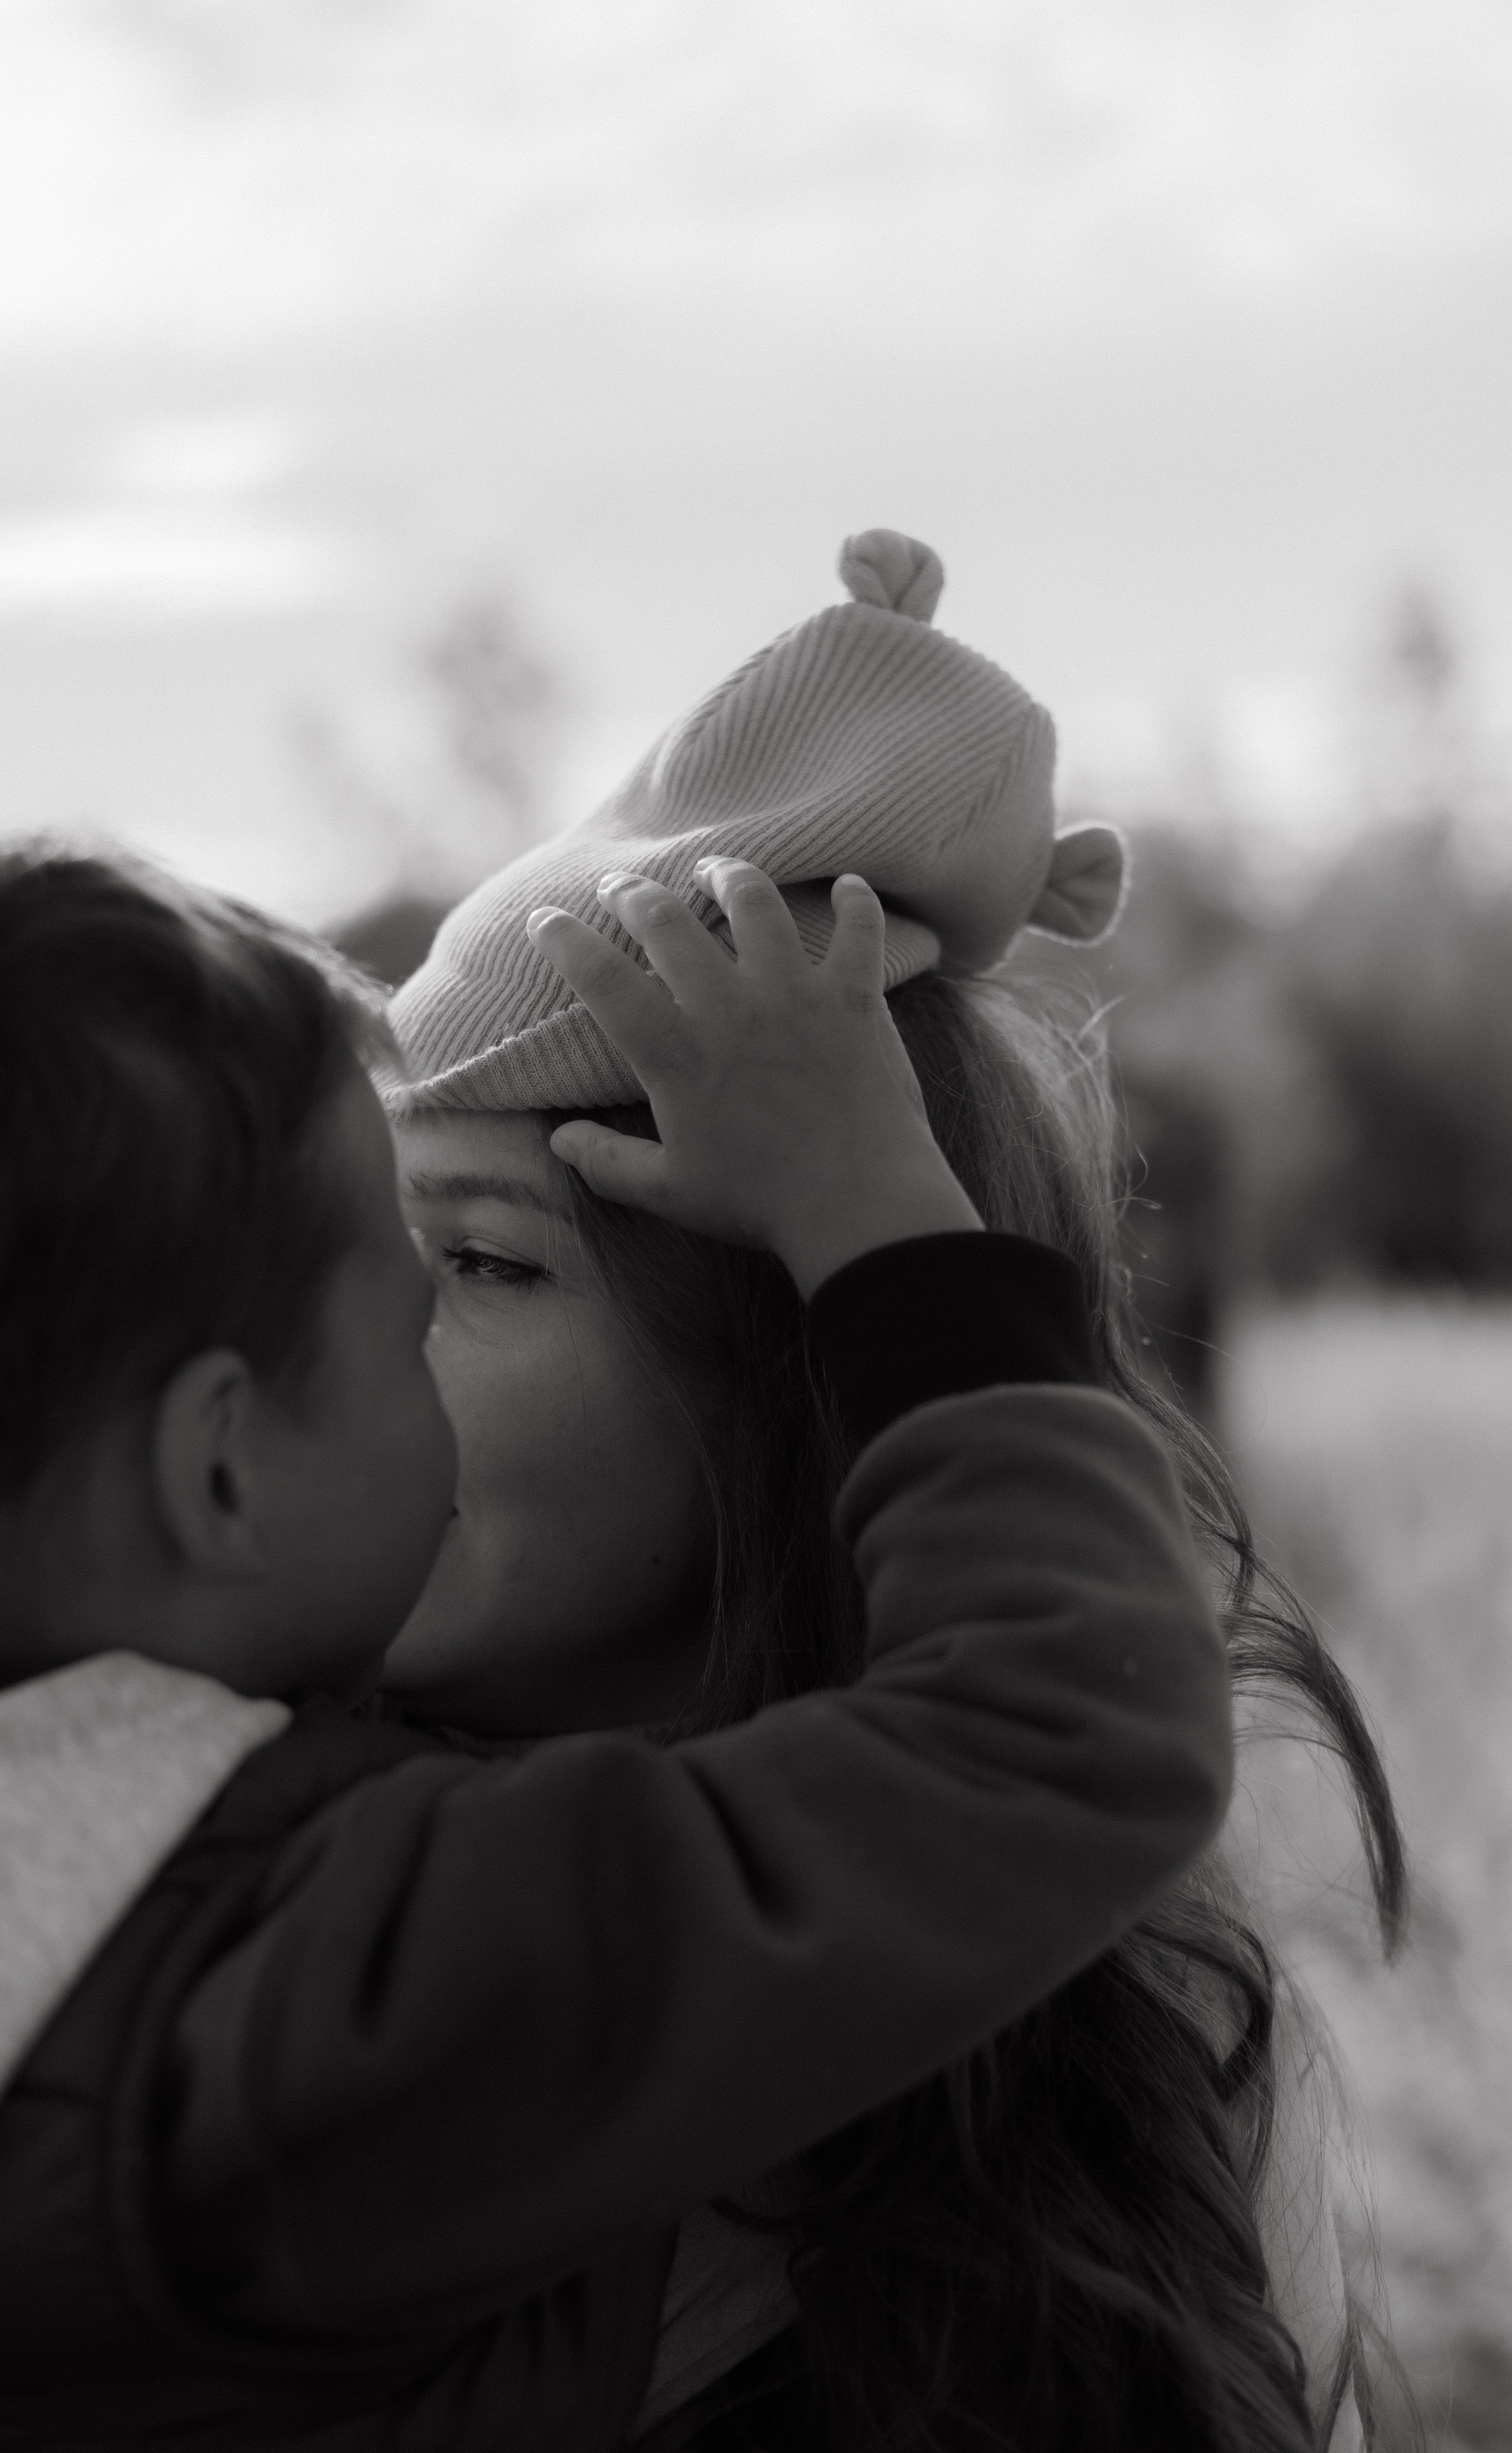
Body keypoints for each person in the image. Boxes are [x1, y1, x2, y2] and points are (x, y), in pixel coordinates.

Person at [0, 838, 1231, 2450]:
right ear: (217, 1465)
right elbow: (1057, 1733)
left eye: (485, 1265)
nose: (420, 1360)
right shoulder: (346, 1960)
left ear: (783, 1394)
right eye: (394, 1293)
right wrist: (882, 1226)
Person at [384, 529, 1408, 2452]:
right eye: (357, 1258)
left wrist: (882, 1233)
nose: (355, 1350)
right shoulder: (200, 1840)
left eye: (486, 1265)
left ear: (786, 1388)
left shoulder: (1097, 2089)